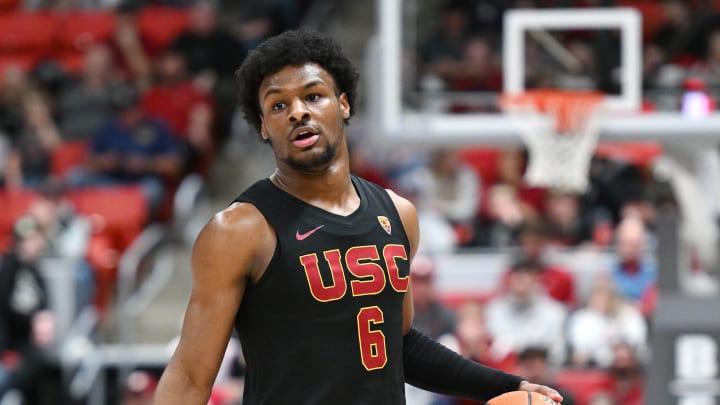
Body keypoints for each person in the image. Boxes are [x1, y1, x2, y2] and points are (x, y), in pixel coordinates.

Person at [153, 29, 563, 404]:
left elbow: (398, 344)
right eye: (279, 105)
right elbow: (190, 376)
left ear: (343, 103)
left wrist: (505, 386)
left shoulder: (398, 215)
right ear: (263, 126)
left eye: (313, 96)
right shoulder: (239, 230)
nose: (297, 112)